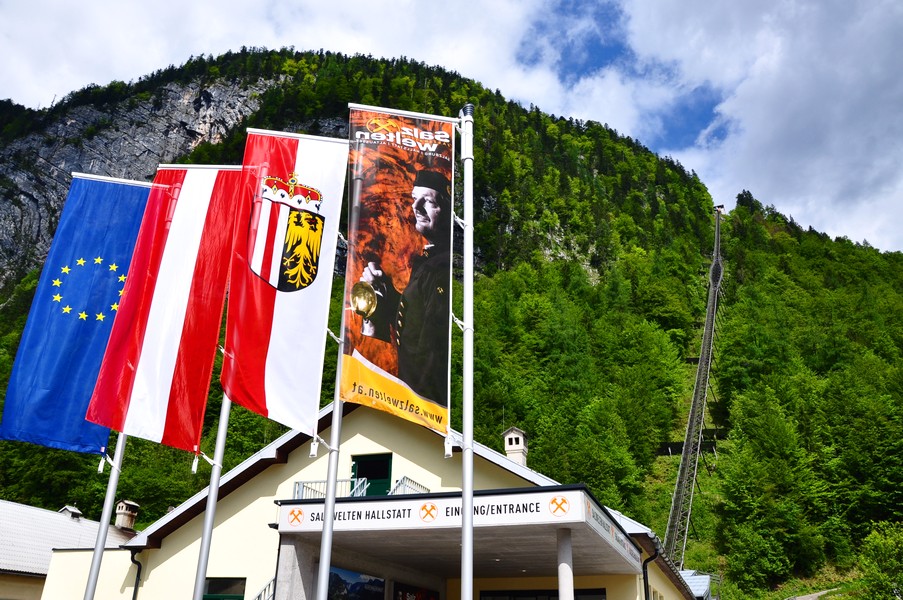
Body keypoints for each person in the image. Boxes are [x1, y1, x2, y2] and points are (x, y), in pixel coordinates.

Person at [359, 169, 451, 407]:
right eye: (414, 199)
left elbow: (429, 352)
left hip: (421, 399)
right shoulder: (429, 260)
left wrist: (412, 399)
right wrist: (386, 293)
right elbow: (414, 321)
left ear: (448, 210)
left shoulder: (442, 268)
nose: (416, 208)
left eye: (428, 201)